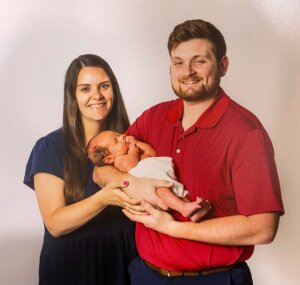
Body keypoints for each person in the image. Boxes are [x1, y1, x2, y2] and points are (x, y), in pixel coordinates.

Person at [93, 20, 285, 285]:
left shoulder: (246, 133)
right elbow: (100, 169)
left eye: (199, 61)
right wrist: (133, 184)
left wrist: (175, 228)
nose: (187, 71)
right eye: (178, 62)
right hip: (145, 275)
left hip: (213, 279)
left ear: (223, 65)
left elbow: (263, 228)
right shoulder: (154, 117)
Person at [23, 54, 155, 285]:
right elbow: (55, 223)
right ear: (72, 96)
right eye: (85, 89)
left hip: (127, 264)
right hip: (72, 268)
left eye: (104, 86)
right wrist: (103, 198)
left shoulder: (132, 143)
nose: (97, 96)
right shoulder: (51, 147)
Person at [87, 130, 211, 221]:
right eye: (116, 141)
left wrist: (138, 143)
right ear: (109, 159)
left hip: (162, 174)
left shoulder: (131, 147)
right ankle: (183, 207)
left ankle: (193, 212)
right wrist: (133, 150)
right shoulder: (119, 160)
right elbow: (130, 165)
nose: (122, 137)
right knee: (164, 191)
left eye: (118, 134)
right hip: (153, 182)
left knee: (176, 192)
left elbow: (152, 152)